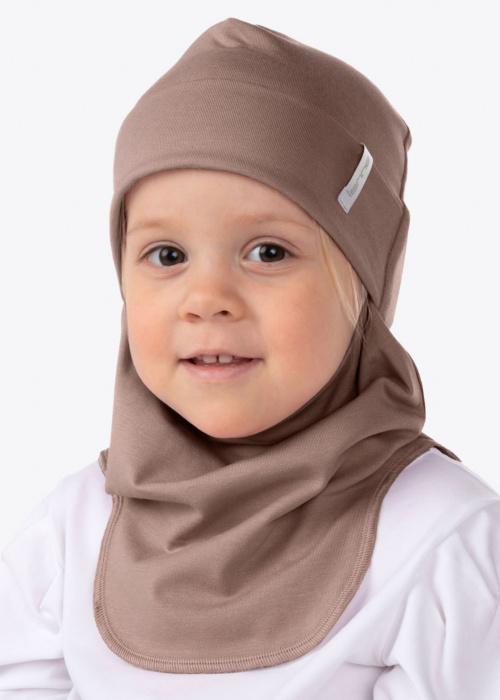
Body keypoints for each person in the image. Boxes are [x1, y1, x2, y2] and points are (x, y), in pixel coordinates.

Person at [1, 17, 499, 699]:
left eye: (268, 252)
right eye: (167, 255)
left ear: (363, 284)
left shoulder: (442, 540)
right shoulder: (70, 534)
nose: (207, 300)